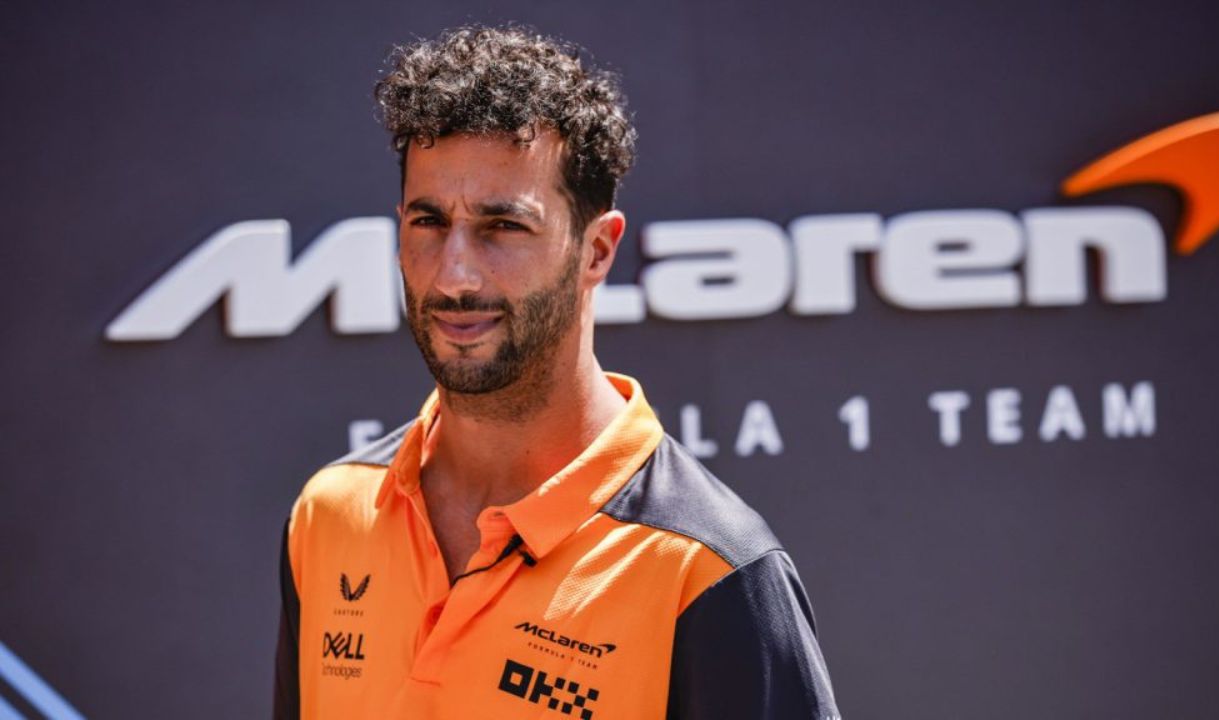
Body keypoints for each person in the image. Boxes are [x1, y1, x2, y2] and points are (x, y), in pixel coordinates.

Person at [273, 25, 841, 720]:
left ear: (596, 250)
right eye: (429, 222)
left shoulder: (709, 570)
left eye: (503, 227)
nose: (454, 275)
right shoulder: (328, 515)